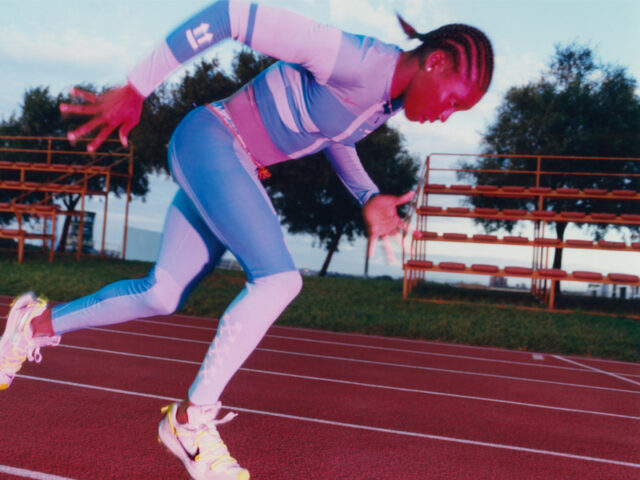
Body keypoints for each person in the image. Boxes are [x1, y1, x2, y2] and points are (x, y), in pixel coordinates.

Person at [0, 2, 493, 479]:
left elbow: (335, 136)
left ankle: (33, 324)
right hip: (213, 138)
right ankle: (191, 422)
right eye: (454, 100)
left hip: (228, 160)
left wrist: (367, 195)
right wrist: (138, 85)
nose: (448, 116)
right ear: (435, 61)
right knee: (279, 280)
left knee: (162, 293)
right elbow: (232, 14)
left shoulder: (384, 100)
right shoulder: (353, 56)